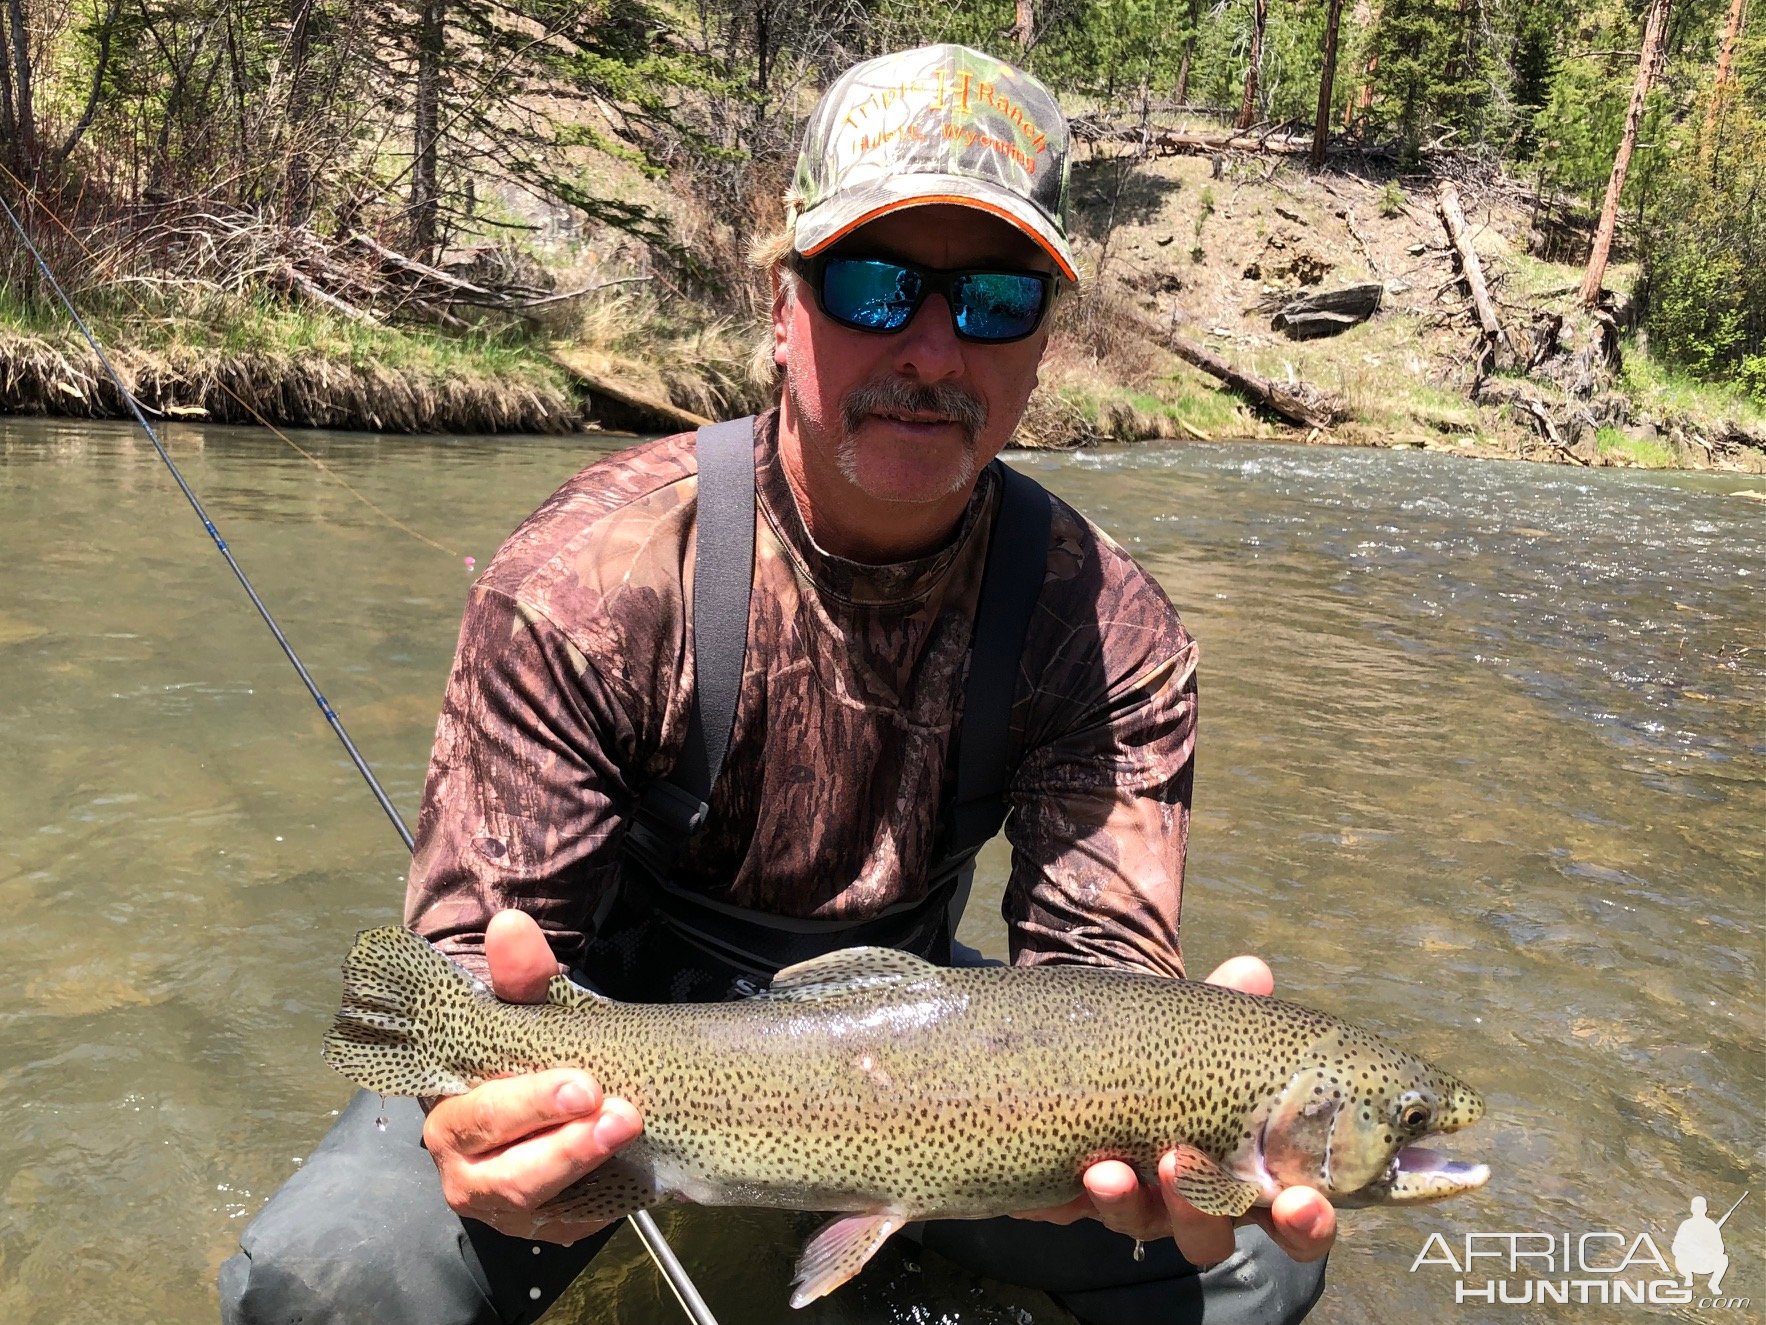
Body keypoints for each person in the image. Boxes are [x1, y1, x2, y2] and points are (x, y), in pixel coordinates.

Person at [219, 43, 1334, 1325]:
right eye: (873, 283)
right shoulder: (588, 577)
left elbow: (1100, 975)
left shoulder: (1106, 627)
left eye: (992, 301)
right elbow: (476, 962)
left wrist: (1171, 1120)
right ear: (781, 305)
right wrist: (478, 1113)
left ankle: (887, 1237)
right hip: (612, 1057)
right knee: (323, 1290)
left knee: (1259, 1245)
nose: (931, 346)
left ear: (1040, 340)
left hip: (918, 1068)